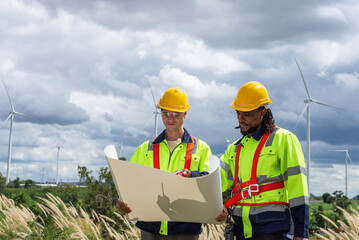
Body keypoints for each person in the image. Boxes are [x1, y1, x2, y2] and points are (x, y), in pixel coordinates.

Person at [216, 81, 309, 240]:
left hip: (272, 227)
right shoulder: (235, 148)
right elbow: (216, 179)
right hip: (241, 229)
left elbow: (298, 190)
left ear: (262, 112)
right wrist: (193, 174)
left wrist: (301, 234)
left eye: (247, 114)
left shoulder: (283, 139)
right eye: (238, 113)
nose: (241, 118)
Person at [116, 87, 212, 240]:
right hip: (150, 226)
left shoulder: (201, 148)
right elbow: (128, 180)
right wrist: (120, 198)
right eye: (165, 113)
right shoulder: (145, 148)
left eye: (176, 114)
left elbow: (208, 181)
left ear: (185, 114)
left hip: (185, 228)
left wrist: (190, 175)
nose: (170, 118)